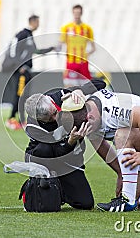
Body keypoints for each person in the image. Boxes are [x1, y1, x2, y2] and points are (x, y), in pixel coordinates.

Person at [23, 79, 106, 210]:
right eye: (49, 119)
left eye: (55, 112)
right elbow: (55, 153)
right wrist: (71, 141)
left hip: (69, 160)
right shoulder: (33, 127)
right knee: (43, 149)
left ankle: (59, 190)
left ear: (50, 100)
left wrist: (80, 91)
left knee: (85, 203)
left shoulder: (60, 96)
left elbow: (101, 84)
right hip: (46, 159)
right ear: (37, 119)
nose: (56, 118)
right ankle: (38, 183)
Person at [5, 15, 54, 130]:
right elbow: (12, 49)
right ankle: (11, 118)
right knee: (20, 94)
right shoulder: (22, 34)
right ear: (33, 22)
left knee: (25, 95)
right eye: (37, 22)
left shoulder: (29, 36)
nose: (38, 24)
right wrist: (19, 65)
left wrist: (51, 48)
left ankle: (21, 120)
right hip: (21, 71)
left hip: (27, 70)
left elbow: (36, 51)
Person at [58, 4, 96, 88]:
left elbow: (93, 48)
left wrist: (87, 54)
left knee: (86, 87)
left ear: (81, 13)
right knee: (69, 87)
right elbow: (61, 42)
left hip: (83, 62)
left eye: (78, 13)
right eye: (75, 13)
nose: (77, 15)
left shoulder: (87, 28)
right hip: (71, 62)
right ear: (72, 13)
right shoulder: (66, 28)